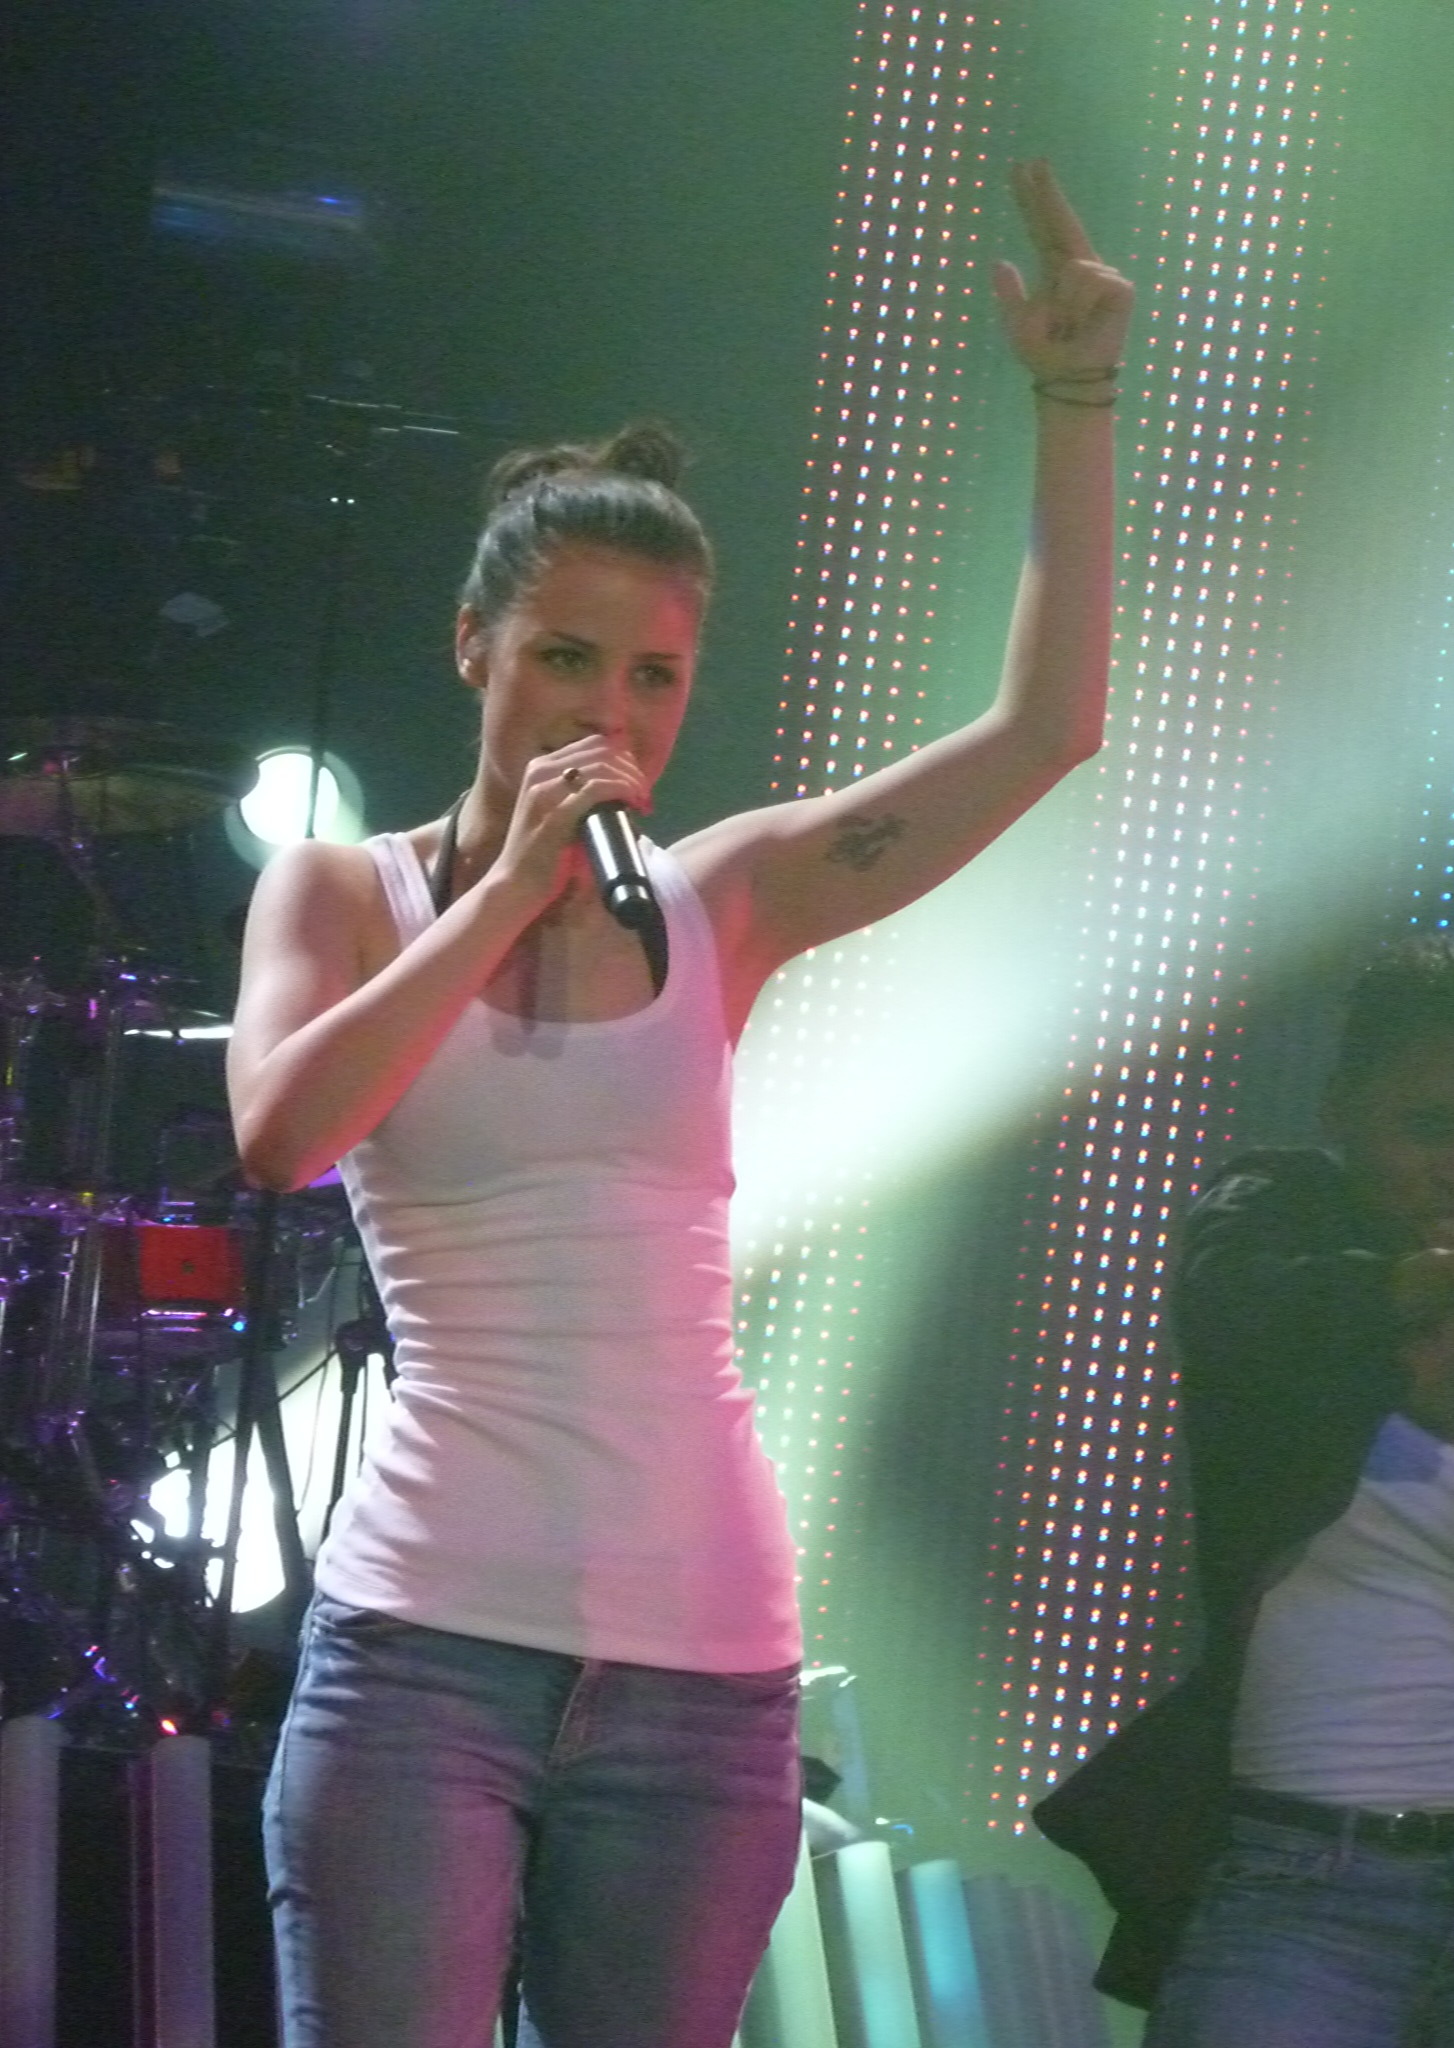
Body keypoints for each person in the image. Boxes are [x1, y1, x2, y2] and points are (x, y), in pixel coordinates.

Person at [227, 158, 1132, 2048]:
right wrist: (505, 890)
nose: (610, 715)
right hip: (424, 1657)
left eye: (654, 677)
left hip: (703, 1676)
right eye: (565, 658)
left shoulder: (731, 897)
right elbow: (287, 1137)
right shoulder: (344, 894)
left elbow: (1046, 733)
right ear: (472, 647)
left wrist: (1073, 403)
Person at [1035, 932, 1454, 2047]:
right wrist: (1441, 1281)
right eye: (1431, 1128)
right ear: (1342, 1110)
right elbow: (1241, 1310)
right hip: (1300, 1887)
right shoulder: (1276, 1214)